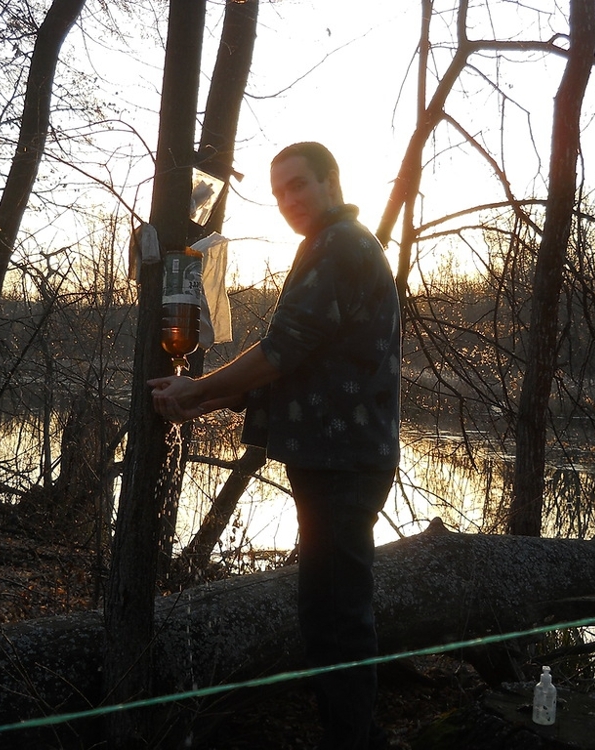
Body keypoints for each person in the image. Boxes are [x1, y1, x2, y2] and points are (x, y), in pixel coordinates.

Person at [149, 141, 400, 750]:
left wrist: (198, 392)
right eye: (279, 189)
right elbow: (299, 363)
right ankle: (356, 732)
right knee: (326, 611)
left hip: (345, 464)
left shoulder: (339, 246)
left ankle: (356, 740)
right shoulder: (329, 247)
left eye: (299, 185)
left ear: (331, 183)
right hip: (333, 461)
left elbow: (281, 351)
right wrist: (207, 394)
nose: (288, 199)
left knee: (338, 618)